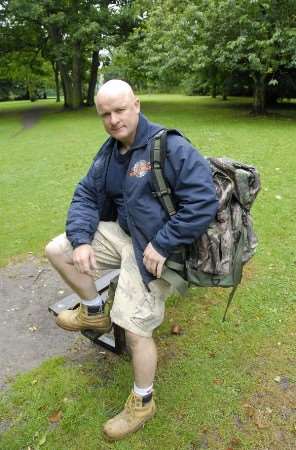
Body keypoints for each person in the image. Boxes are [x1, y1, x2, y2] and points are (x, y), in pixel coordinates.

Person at [45, 79, 218, 441]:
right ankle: (93, 309)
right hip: (125, 236)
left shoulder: (169, 146)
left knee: (136, 328)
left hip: (157, 250)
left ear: (136, 105)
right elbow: (86, 196)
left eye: (119, 109)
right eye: (105, 114)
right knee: (58, 249)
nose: (113, 119)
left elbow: (203, 200)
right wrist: (81, 241)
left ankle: (143, 401)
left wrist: (164, 241)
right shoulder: (109, 152)